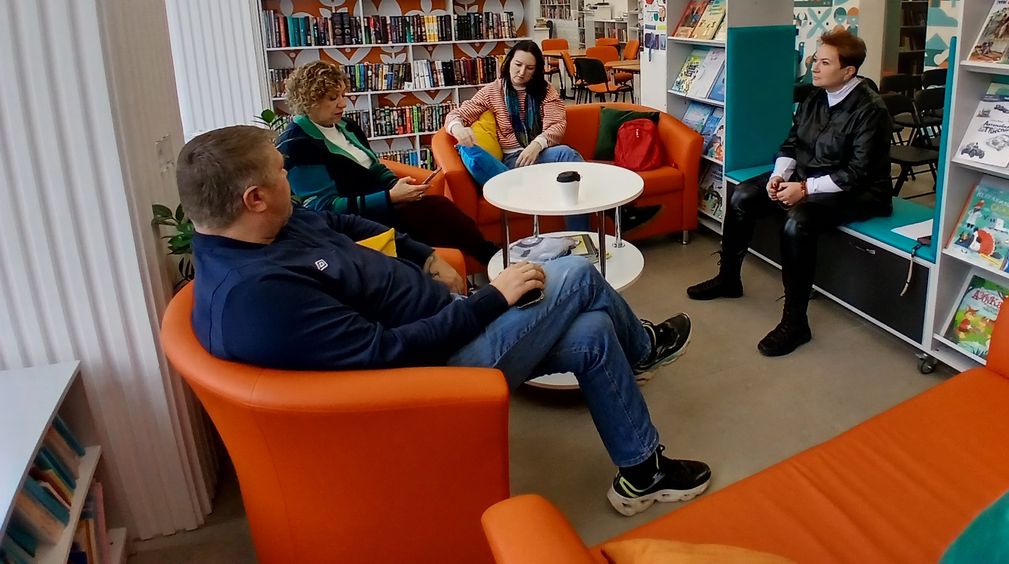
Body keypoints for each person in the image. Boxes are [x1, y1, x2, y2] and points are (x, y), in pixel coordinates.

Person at [180, 125, 711, 515]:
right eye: (281, 173)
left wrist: (424, 254)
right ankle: (645, 346)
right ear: (253, 198)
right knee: (574, 272)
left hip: (448, 322)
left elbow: (340, 222)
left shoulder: (272, 227)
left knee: (593, 332)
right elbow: (388, 353)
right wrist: (492, 300)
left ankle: (643, 471)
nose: (290, 181)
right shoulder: (257, 296)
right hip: (436, 375)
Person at [686, 31, 893, 357]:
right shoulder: (815, 96)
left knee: (798, 222)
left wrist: (805, 189)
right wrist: (779, 176)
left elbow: (856, 175)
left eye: (825, 62)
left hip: (859, 191)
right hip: (810, 176)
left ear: (848, 71)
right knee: (743, 195)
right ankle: (728, 279)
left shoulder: (871, 110)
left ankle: (796, 322)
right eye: (816, 59)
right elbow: (792, 144)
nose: (815, 67)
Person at [277, 61, 498, 272]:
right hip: (354, 221)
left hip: (384, 202)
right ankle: (486, 261)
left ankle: (483, 262)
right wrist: (390, 197)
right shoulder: (297, 144)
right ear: (309, 101)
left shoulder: (345, 125)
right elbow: (325, 208)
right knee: (436, 216)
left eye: (343, 95)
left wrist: (397, 185)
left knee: (439, 210)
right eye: (333, 98)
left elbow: (373, 165)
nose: (343, 104)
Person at [445, 40, 659, 232]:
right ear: (508, 62)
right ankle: (616, 213)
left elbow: (557, 125)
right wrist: (458, 129)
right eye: (518, 64)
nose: (521, 72)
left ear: (536, 70)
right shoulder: (492, 91)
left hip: (540, 153)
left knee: (566, 159)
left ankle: (586, 233)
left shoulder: (545, 90)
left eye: (529, 68)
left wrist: (536, 144)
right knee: (568, 158)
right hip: (513, 161)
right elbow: (456, 115)